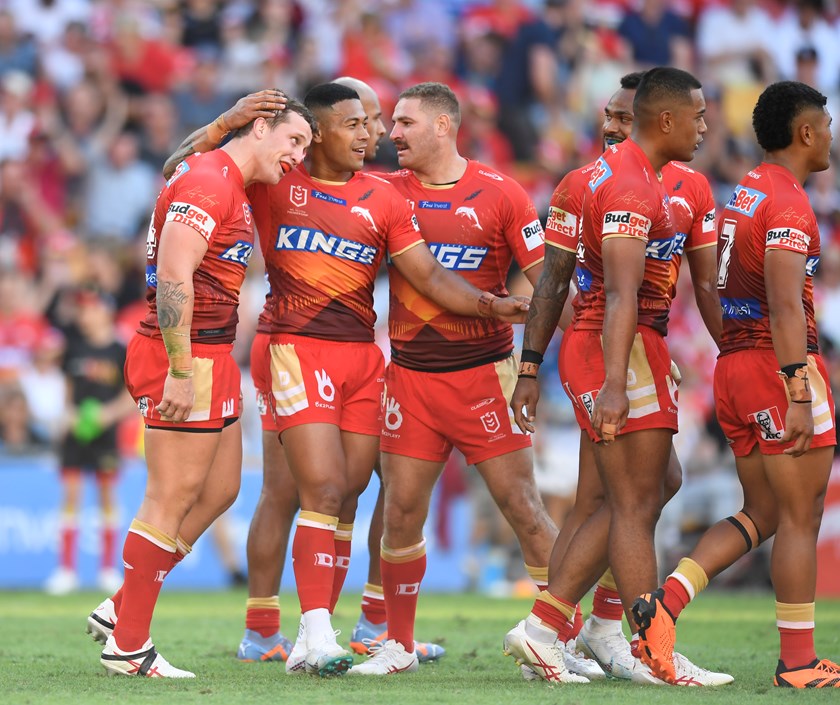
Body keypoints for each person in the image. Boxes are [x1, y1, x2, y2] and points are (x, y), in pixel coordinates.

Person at [218, 81, 528, 679]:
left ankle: (353, 627)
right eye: (359, 123)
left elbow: (432, 276)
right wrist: (224, 124)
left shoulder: (383, 197)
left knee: (350, 493)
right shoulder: (275, 179)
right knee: (305, 491)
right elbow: (190, 174)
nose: (374, 134)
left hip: (362, 356)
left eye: (377, 122)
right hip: (292, 347)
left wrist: (493, 307)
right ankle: (277, 630)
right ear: (317, 132)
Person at [509, 72, 731, 686]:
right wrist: (537, 367)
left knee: (622, 494)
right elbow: (565, 285)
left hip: (637, 346)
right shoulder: (600, 184)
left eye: (619, 115)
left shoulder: (689, 186)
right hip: (613, 348)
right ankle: (634, 644)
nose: (609, 125)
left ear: (644, 116)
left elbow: (707, 287)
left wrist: (736, 352)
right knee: (630, 500)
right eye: (607, 114)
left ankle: (574, 630)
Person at [86, 91, 315, 678]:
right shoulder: (211, 183)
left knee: (220, 491)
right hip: (183, 354)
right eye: (293, 140)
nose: (297, 156)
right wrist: (182, 371)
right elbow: (173, 276)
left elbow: (173, 165)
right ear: (259, 127)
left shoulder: (211, 170)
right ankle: (130, 645)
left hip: (209, 354)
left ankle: (121, 608)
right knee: (170, 498)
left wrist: (219, 124)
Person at [346, 81, 569, 678]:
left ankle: (556, 637)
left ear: (444, 126)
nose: (393, 133)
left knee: (523, 506)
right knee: (399, 512)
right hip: (411, 379)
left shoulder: (499, 194)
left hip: (483, 375)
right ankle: (397, 643)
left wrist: (529, 363)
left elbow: (545, 282)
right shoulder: (386, 191)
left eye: (406, 122)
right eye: (391, 122)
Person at [641, 81, 839, 688]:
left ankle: (665, 606)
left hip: (737, 366)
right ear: (804, 133)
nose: (832, 133)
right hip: (780, 367)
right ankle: (799, 664)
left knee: (766, 513)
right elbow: (784, 305)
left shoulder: (747, 191)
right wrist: (798, 390)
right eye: (826, 122)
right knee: (801, 516)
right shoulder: (788, 205)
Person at [44, 287, 135, 596]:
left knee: (107, 496)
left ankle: (108, 568)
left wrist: (109, 415)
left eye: (90, 309)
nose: (84, 315)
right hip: (76, 433)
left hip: (106, 433)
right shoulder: (74, 348)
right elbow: (67, 391)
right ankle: (66, 569)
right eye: (81, 310)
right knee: (70, 495)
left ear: (105, 312)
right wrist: (68, 413)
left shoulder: (120, 350)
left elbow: (132, 394)